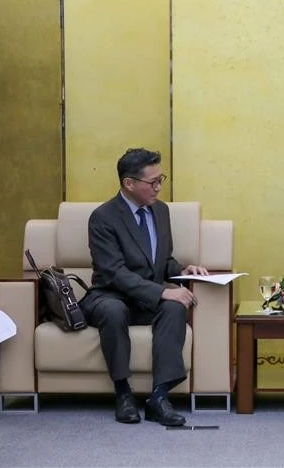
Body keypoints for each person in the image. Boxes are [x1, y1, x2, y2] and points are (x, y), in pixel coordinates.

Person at [80, 148, 208, 426]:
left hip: (145, 298)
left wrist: (182, 270)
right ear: (129, 183)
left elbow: (161, 259)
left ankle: (159, 398)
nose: (159, 187)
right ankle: (123, 393)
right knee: (113, 311)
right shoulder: (103, 217)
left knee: (175, 307)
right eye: (153, 182)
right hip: (110, 295)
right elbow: (113, 272)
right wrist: (161, 291)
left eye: (162, 179)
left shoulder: (160, 211)